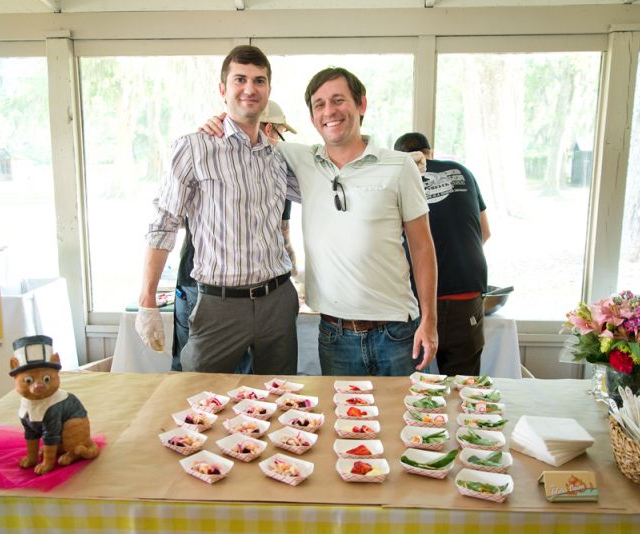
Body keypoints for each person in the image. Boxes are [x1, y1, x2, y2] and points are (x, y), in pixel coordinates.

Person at [203, 67, 439, 376]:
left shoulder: (399, 165)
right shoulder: (300, 160)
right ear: (314, 118)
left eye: (338, 100)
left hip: (396, 333)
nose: (329, 111)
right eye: (319, 105)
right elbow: (247, 137)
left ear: (361, 105)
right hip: (335, 335)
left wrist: (429, 321)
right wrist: (217, 122)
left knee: (404, 423)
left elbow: (423, 248)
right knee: (343, 424)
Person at [135, 45, 300, 375]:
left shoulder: (279, 157)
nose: (250, 89)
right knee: (198, 403)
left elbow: (331, 184)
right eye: (240, 79)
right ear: (223, 89)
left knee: (280, 403)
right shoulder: (194, 147)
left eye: (259, 80)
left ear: (268, 90)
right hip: (218, 305)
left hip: (277, 301)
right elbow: (164, 222)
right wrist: (147, 300)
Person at [169, 101, 299, 373]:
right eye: (278, 132)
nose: (278, 140)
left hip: (269, 297)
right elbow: (170, 215)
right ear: (266, 127)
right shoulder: (203, 150)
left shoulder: (275, 168)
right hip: (205, 290)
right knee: (202, 388)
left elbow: (280, 233)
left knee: (260, 394)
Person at [394, 132, 491, 376]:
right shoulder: (461, 172)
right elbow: (485, 232)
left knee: (414, 388)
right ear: (431, 153)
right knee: (463, 388)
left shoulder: (397, 177)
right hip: (465, 291)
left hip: (418, 297)